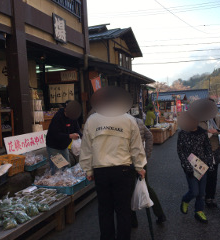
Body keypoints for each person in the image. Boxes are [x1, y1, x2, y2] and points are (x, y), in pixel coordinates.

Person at [79, 87, 147, 240]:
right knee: (123, 210)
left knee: (105, 209)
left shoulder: (92, 120)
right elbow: (136, 146)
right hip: (123, 171)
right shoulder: (128, 119)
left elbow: (86, 147)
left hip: (101, 171)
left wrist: (88, 170)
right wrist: (139, 166)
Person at [177, 111, 214, 224]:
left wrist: (209, 162)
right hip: (190, 164)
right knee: (194, 191)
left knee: (202, 193)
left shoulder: (203, 133)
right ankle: (185, 200)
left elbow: (208, 148)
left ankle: (199, 211)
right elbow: (180, 151)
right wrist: (186, 166)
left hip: (202, 164)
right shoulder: (182, 133)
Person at [131, 117, 166, 227]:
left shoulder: (121, 122)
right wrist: (146, 155)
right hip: (141, 160)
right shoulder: (138, 121)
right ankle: (160, 214)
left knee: (127, 190)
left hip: (127, 162)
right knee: (146, 187)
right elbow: (149, 136)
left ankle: (133, 222)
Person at [199, 102, 220, 208]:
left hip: (213, 151)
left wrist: (217, 131)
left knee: (212, 177)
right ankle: (200, 197)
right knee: (201, 176)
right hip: (200, 153)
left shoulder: (216, 118)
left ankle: (210, 197)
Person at [46, 100, 82, 174]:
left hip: (64, 146)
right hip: (54, 146)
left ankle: (66, 183)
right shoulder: (58, 117)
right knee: (57, 169)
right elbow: (55, 134)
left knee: (67, 167)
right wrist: (69, 136)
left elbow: (77, 129)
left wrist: (81, 136)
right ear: (65, 109)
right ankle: (56, 183)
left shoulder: (73, 117)